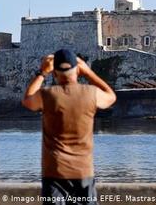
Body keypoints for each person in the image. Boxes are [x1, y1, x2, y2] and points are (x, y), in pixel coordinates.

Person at [21, 49, 116, 205]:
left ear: (55, 73)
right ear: (77, 71)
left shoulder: (48, 95)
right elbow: (111, 96)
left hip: (54, 172)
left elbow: (27, 100)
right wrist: (88, 72)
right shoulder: (91, 94)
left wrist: (41, 73)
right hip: (83, 171)